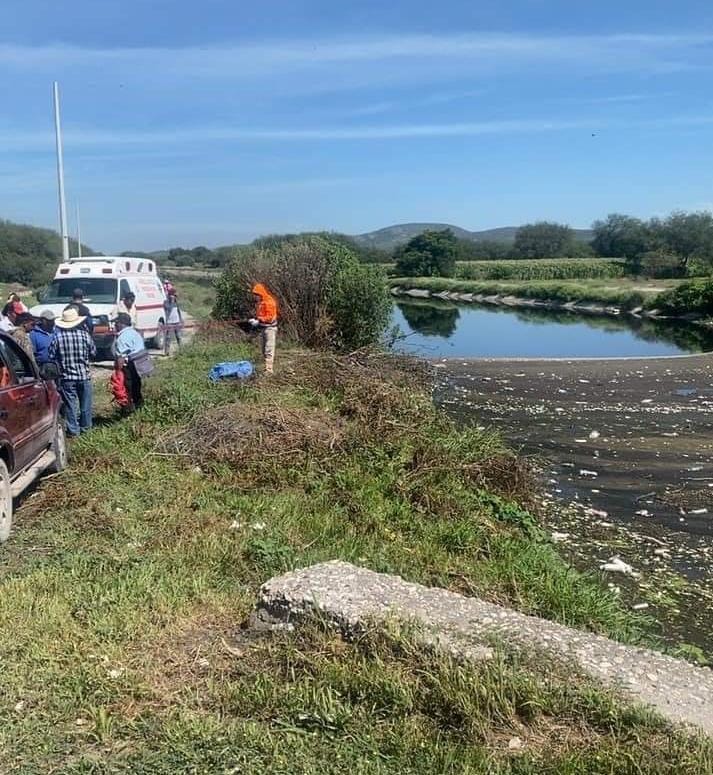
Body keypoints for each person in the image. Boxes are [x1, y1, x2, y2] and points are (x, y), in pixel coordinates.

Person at [49, 307, 96, 436]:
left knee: (70, 406)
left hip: (67, 377)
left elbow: (52, 356)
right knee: (85, 405)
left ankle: (73, 431)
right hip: (84, 376)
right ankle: (86, 429)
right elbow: (93, 353)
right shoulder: (85, 335)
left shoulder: (57, 337)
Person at [113, 312, 151, 411]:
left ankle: (128, 411)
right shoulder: (135, 333)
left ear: (121, 323)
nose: (114, 325)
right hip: (140, 365)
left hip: (130, 367)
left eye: (116, 323)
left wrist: (117, 373)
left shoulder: (122, 337)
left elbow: (121, 359)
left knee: (126, 389)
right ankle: (140, 407)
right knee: (136, 387)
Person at [249, 283, 279, 375]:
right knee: (263, 349)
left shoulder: (269, 302)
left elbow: (269, 318)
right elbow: (261, 315)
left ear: (260, 294)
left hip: (270, 329)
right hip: (263, 328)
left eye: (256, 295)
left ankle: (269, 370)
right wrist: (256, 319)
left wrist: (258, 321)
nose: (255, 297)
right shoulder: (261, 302)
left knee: (269, 350)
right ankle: (266, 367)